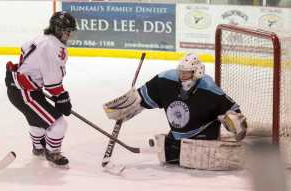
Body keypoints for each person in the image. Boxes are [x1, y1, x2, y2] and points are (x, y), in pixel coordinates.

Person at [103, 53, 247, 167]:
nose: (182, 76)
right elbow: (142, 96)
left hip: (202, 141)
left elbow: (233, 113)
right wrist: (128, 104)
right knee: (168, 154)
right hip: (177, 139)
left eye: (186, 73)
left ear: (197, 72)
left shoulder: (208, 88)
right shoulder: (166, 80)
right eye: (181, 72)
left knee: (191, 158)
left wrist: (232, 120)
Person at [5, 11, 76, 167]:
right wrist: (62, 97)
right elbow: (52, 83)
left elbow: (24, 51)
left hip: (20, 87)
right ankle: (52, 152)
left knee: (37, 121)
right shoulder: (53, 47)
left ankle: (38, 148)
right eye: (67, 31)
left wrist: (33, 78)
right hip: (24, 92)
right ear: (57, 29)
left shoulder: (42, 38)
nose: (69, 35)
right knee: (59, 125)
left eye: (70, 31)